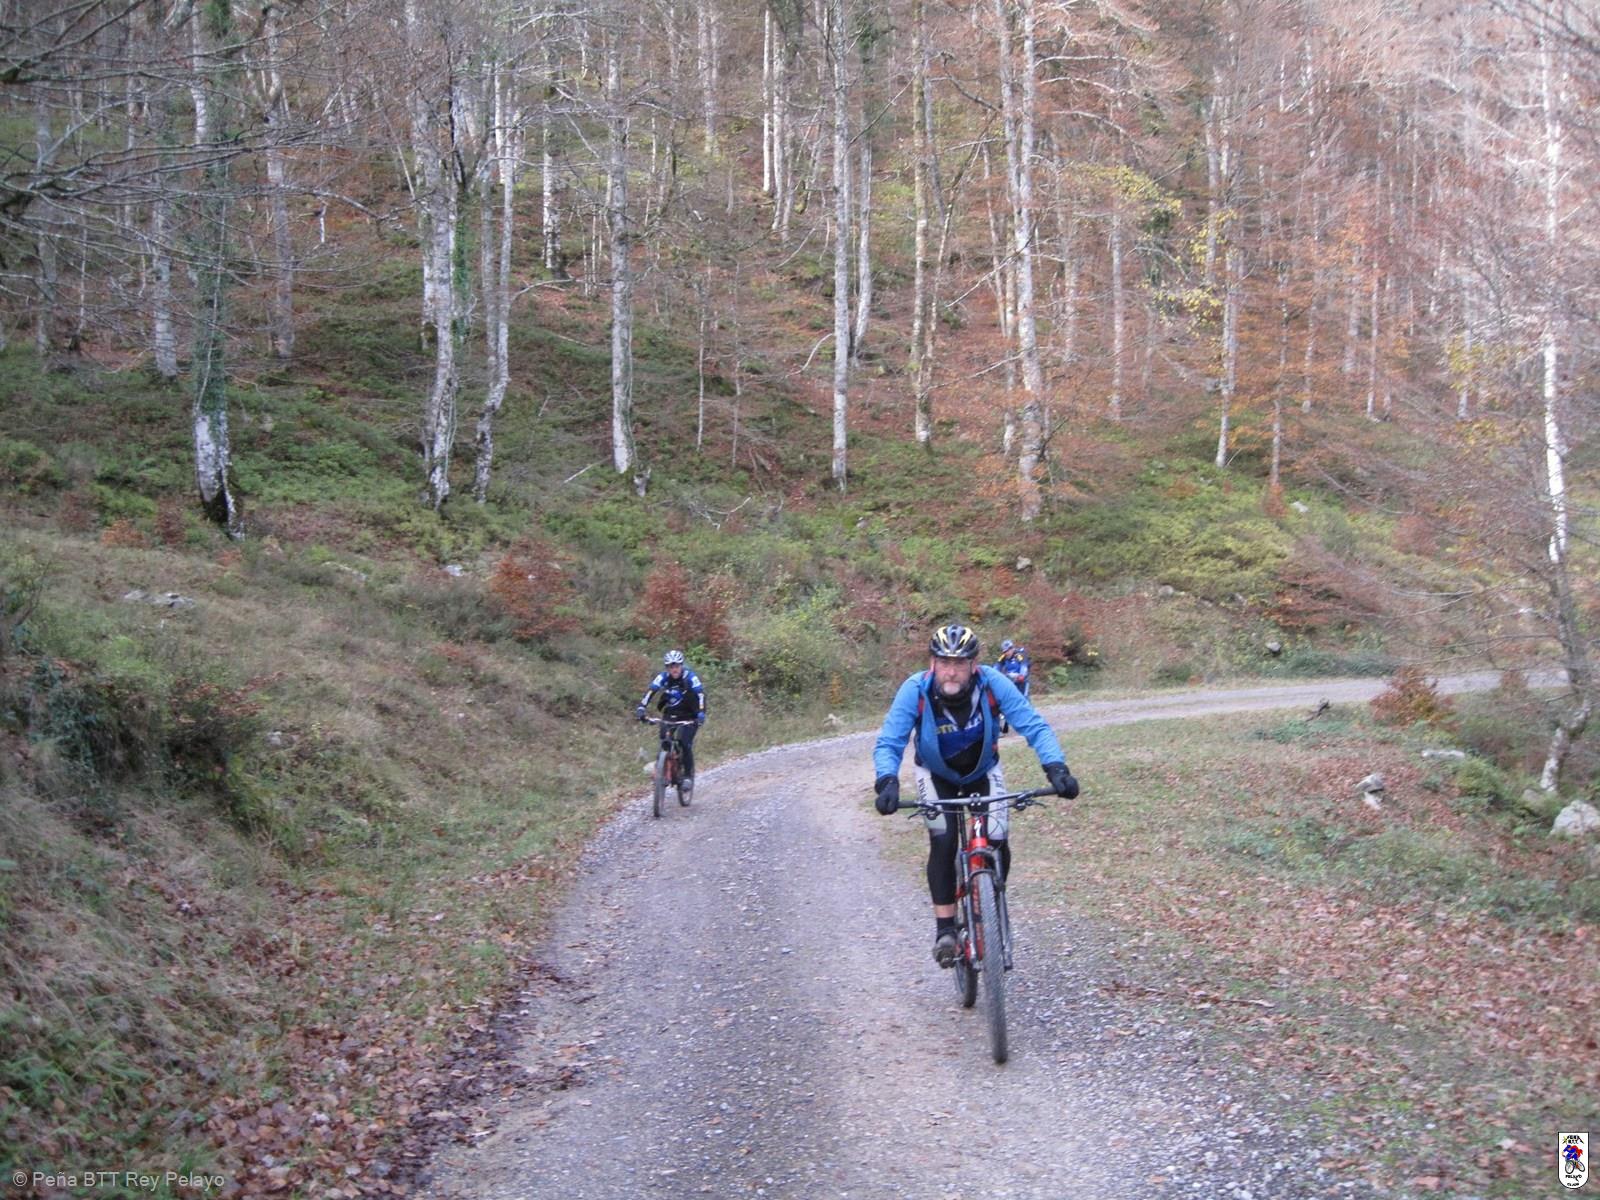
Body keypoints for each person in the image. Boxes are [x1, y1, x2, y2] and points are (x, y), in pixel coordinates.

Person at [872, 623, 1078, 966]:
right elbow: (890, 741)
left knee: (997, 836)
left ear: (974, 664)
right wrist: (886, 781)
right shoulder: (915, 690)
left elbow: (1033, 725)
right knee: (943, 840)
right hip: (935, 774)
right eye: (944, 662)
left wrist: (1056, 768)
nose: (951, 671)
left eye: (959, 663)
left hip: (983, 771)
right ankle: (945, 931)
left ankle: (991, 903)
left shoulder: (993, 684)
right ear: (932, 663)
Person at [636, 650, 706, 791]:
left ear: (681, 665)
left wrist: (700, 713)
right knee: (664, 741)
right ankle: (662, 771)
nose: (674, 669)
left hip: (690, 716)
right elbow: (651, 691)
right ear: (667, 667)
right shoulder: (663, 677)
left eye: (677, 666)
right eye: (670, 666)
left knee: (684, 743)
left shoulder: (690, 677)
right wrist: (641, 707)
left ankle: (687, 776)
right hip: (671, 714)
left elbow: (700, 695)